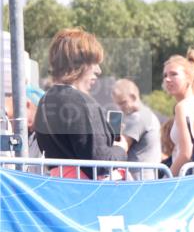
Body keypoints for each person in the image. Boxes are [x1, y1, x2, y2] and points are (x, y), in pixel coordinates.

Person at [33, 28, 127, 177]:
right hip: (88, 193)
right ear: (77, 63)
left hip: (60, 190)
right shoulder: (80, 102)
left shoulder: (45, 101)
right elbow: (100, 163)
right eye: (94, 62)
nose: (99, 70)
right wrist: (121, 149)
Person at [111, 79, 163, 179]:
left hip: (138, 178)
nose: (120, 108)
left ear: (133, 97)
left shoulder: (137, 118)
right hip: (147, 176)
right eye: (117, 104)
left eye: (123, 103)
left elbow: (121, 147)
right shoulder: (148, 114)